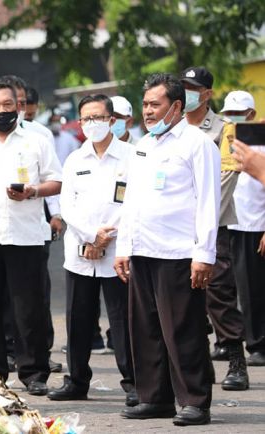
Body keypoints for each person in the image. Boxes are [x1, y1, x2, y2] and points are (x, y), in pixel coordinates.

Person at [115, 73, 219, 426]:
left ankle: (194, 400)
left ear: (176, 106)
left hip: (178, 253)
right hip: (143, 250)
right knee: (145, 329)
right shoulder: (145, 144)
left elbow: (208, 201)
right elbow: (131, 200)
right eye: (144, 104)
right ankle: (154, 397)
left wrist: (204, 254)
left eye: (155, 104)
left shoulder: (196, 143)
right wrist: (123, 246)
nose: (148, 111)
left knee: (182, 330)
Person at [0, 81, 62, 396]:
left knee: (29, 308)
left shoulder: (37, 140)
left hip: (26, 235)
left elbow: (57, 180)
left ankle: (34, 373)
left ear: (19, 107)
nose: (1, 111)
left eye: (7, 105)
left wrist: (33, 191)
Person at [49, 94, 136, 406]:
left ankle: (134, 383)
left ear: (113, 120)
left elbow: (135, 203)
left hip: (118, 253)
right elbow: (66, 206)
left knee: (124, 320)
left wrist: (106, 238)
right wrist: (91, 237)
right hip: (81, 253)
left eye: (98, 117)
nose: (92, 124)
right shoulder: (75, 159)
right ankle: (76, 381)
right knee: (78, 320)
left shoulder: (132, 155)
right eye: (86, 118)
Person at [180, 67, 249, 391]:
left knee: (219, 293)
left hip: (214, 224)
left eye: (193, 88)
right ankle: (195, 367)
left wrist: (199, 214)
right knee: (181, 296)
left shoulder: (224, 129)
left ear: (207, 93)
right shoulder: (172, 128)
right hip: (174, 227)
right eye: (183, 87)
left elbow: (227, 176)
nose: (187, 93)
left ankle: (236, 359)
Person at [0, 75, 62, 374]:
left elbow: (54, 177)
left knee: (35, 295)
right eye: (12, 102)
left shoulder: (39, 135)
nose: (18, 107)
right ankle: (6, 351)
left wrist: (56, 214)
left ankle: (39, 354)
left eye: (21, 102)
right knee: (0, 296)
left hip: (35, 226)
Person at [224, 92, 265, 367]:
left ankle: (258, 344)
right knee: (235, 289)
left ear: (251, 116)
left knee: (255, 288)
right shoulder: (220, 143)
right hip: (231, 222)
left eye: (240, 114)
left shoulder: (259, 148)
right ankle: (233, 342)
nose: (234, 119)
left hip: (256, 224)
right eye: (230, 113)